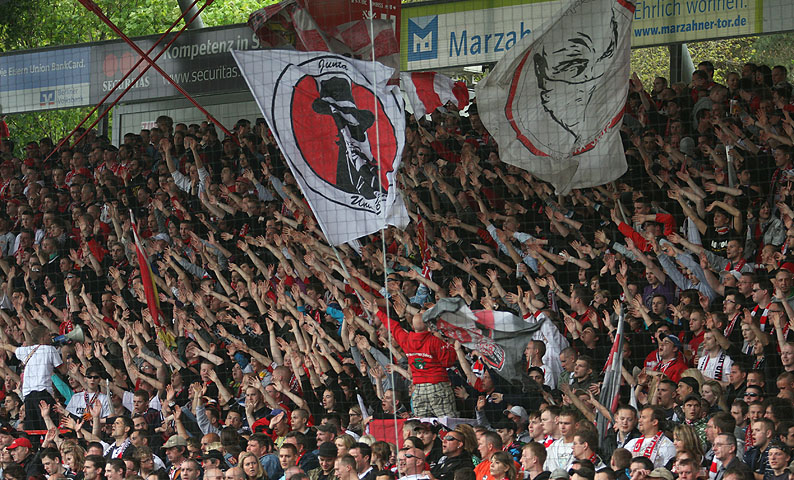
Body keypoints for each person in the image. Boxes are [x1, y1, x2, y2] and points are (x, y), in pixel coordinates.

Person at [368, 301, 458, 417]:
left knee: (421, 424)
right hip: (438, 386)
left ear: (413, 326)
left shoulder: (406, 339)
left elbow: (393, 326)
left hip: (418, 390)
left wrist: (377, 311)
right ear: (428, 325)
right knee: (447, 421)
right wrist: (450, 345)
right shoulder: (435, 341)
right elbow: (449, 362)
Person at [0, 325, 64, 430]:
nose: (51, 337)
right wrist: (64, 351)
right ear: (43, 337)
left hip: (28, 398)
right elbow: (63, 370)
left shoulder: (27, 350)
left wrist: (2, 345)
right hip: (43, 394)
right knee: (49, 427)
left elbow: (10, 347)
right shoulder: (50, 349)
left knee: (33, 430)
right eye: (48, 335)